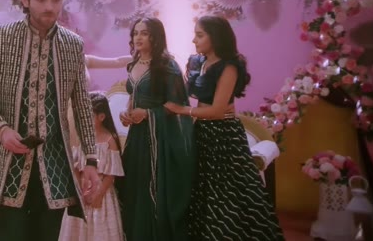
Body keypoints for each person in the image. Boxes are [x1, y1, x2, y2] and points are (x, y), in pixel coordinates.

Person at [0, 0, 101, 241]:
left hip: (54, 165)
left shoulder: (72, 44)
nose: (49, 7)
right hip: (10, 163)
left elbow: (81, 104)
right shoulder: (2, 37)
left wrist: (91, 159)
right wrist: (1, 129)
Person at [165, 15, 284, 240]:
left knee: (227, 195)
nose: (194, 40)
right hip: (201, 132)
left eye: (200, 35)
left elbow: (218, 111)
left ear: (216, 37)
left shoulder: (229, 66)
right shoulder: (198, 62)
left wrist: (180, 110)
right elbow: (188, 96)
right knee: (202, 192)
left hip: (223, 135)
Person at [116, 17, 195, 240]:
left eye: (144, 33)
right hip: (138, 136)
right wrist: (127, 113)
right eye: (135, 33)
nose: (138, 37)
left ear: (156, 37)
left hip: (161, 137)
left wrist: (148, 113)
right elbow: (134, 96)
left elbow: (177, 105)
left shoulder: (167, 66)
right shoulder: (134, 63)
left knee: (154, 187)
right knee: (135, 185)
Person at [59, 92, 124, 241]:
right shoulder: (82, 138)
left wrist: (98, 194)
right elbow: (76, 166)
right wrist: (79, 190)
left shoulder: (109, 140)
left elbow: (111, 174)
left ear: (101, 117)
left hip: (101, 193)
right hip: (82, 190)